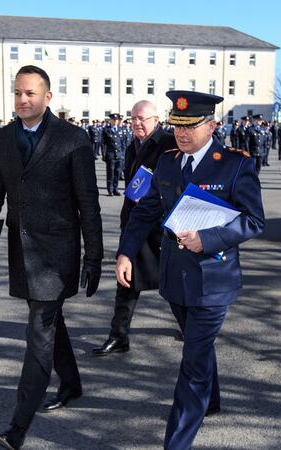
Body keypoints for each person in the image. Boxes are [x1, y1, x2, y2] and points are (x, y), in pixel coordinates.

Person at [116, 90, 264, 450]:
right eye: (176, 126)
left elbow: (253, 221)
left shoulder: (235, 164)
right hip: (174, 276)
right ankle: (210, 401)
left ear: (212, 125)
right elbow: (145, 210)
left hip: (213, 280)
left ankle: (176, 443)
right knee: (199, 346)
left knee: (192, 363)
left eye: (190, 127)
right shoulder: (167, 161)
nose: (181, 134)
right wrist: (126, 252)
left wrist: (210, 238)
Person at [0, 65, 102, 450]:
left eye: (30, 93)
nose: (22, 100)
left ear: (48, 97)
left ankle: (18, 426)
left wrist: (93, 256)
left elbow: (88, 203)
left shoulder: (73, 139)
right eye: (17, 93)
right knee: (48, 321)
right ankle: (72, 383)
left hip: (56, 255)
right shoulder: (3, 138)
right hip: (20, 250)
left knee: (39, 335)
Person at [92, 100, 177, 357]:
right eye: (134, 119)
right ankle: (118, 336)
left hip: (160, 225)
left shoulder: (167, 144)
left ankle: (191, 327)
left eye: (142, 118)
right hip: (136, 223)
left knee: (173, 280)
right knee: (126, 280)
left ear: (156, 120)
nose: (137, 124)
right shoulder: (133, 146)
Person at [103, 113, 125, 196]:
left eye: (116, 120)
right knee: (110, 173)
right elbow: (103, 144)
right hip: (111, 155)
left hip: (119, 155)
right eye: (113, 120)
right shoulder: (106, 130)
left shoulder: (121, 130)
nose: (115, 121)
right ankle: (110, 190)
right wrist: (104, 155)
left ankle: (116, 189)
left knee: (117, 173)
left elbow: (123, 143)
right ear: (110, 120)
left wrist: (122, 154)